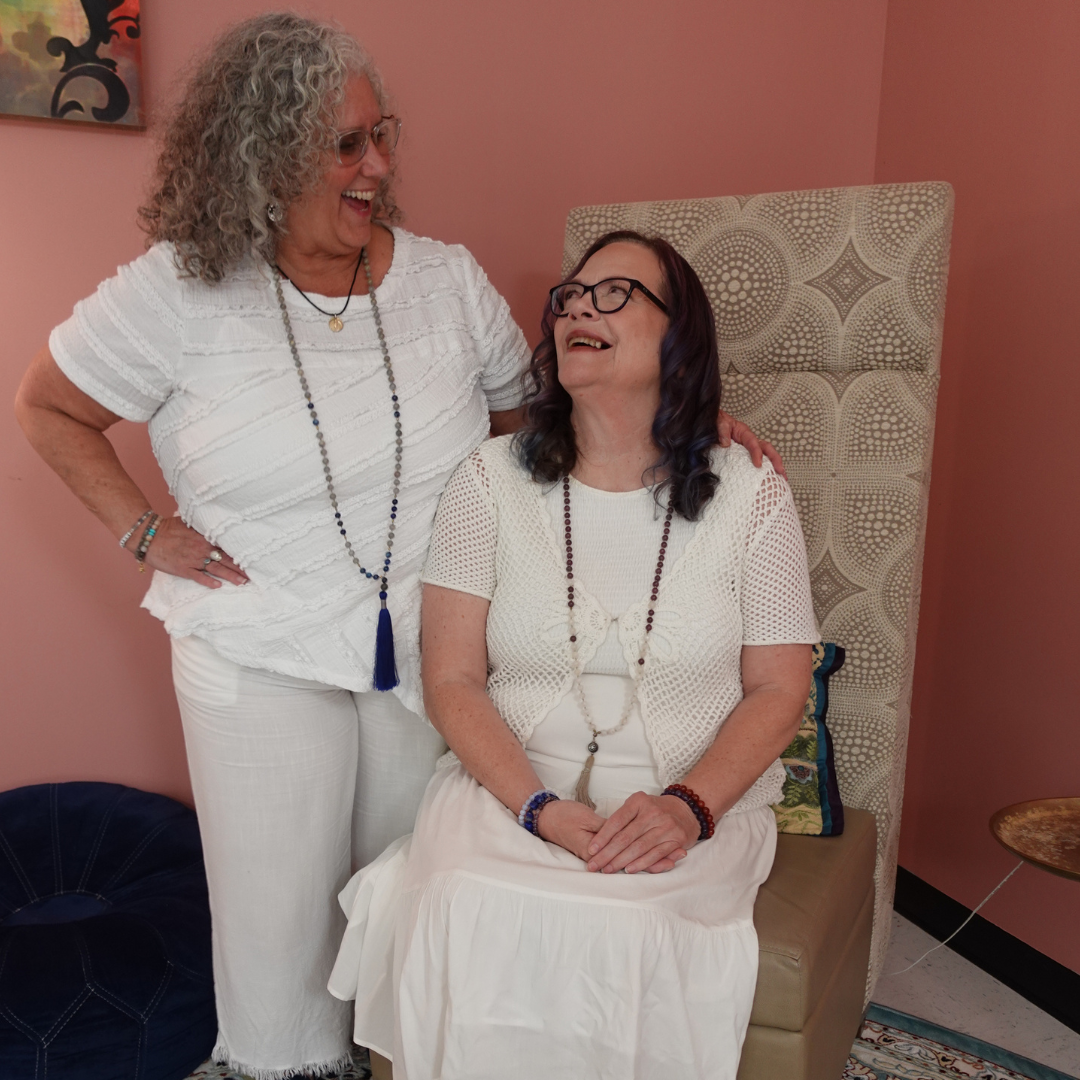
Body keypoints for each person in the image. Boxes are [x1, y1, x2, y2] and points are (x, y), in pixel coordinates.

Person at [14, 15, 779, 1079]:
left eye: (384, 135)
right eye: (345, 145)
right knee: (275, 926)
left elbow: (540, 427)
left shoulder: (445, 282)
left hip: (431, 650)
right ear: (262, 157)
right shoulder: (176, 291)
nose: (378, 165)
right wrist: (144, 530)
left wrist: (682, 420)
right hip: (257, 643)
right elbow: (47, 406)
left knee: (404, 900)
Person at [328, 231, 819, 1080]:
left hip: (689, 802)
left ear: (679, 337)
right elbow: (452, 678)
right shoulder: (489, 481)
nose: (580, 306)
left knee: (631, 928)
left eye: (616, 293)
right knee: (466, 902)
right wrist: (538, 808)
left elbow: (779, 689)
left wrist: (688, 809)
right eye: (572, 294)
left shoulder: (751, 493)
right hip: (509, 791)